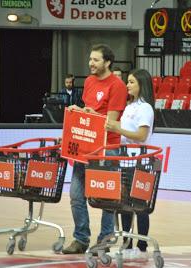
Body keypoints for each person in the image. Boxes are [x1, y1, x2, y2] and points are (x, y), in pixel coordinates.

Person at [62, 44, 128, 254]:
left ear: (107, 62)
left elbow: (110, 123)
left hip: (108, 148)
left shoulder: (117, 86)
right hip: (86, 147)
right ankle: (81, 239)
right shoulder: (89, 81)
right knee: (75, 194)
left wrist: (91, 115)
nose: (91, 63)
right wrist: (78, 111)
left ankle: (105, 239)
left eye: (96, 60)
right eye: (90, 59)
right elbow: (89, 114)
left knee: (105, 197)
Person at [105, 69, 155, 260]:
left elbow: (142, 136)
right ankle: (127, 243)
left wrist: (119, 128)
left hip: (139, 161)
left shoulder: (146, 108)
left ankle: (141, 246)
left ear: (141, 84)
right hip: (125, 159)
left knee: (139, 204)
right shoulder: (130, 106)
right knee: (125, 203)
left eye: (131, 82)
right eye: (128, 82)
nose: (127, 85)